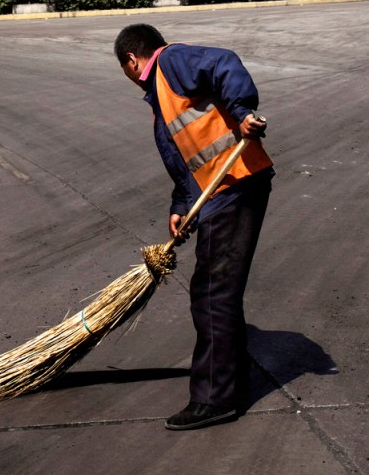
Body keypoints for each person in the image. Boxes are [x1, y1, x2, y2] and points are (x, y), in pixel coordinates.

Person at [113, 23, 275, 431]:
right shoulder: (163, 96)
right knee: (215, 292)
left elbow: (224, 62)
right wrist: (181, 204)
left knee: (211, 294)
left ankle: (214, 399)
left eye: (124, 69)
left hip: (235, 182)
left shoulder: (171, 62)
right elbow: (187, 155)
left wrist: (241, 113)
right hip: (219, 192)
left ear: (132, 61)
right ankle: (231, 382)